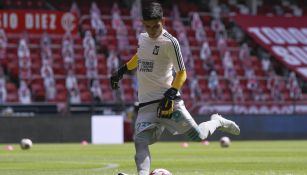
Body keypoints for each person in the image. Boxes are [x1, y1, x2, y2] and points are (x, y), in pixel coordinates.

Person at [111, 2, 240, 175]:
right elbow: (140, 56)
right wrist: (122, 70)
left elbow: (182, 73)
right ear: (143, 23)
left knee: (198, 136)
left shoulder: (171, 42)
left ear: (163, 21)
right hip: (146, 103)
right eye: (147, 26)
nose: (151, 30)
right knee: (140, 141)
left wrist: (172, 92)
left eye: (155, 26)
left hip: (168, 102)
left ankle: (217, 120)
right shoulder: (143, 38)